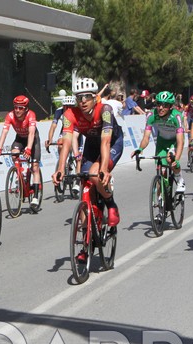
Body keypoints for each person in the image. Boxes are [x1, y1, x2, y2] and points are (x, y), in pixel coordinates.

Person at [53, 77, 124, 245]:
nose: (83, 101)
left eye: (87, 96)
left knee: (94, 175)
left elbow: (106, 142)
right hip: (92, 145)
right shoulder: (70, 114)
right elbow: (67, 142)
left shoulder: (104, 110)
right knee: (85, 185)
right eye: (79, 97)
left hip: (112, 143)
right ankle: (86, 242)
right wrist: (61, 168)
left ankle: (110, 202)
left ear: (95, 97)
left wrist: (104, 169)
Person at [131, 91, 186, 193]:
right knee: (160, 169)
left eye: (165, 105)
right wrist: (140, 149)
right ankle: (162, 199)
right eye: (159, 104)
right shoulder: (151, 115)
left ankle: (179, 179)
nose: (161, 108)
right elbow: (146, 137)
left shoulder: (176, 116)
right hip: (162, 141)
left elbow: (180, 141)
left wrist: (176, 160)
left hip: (174, 141)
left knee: (171, 160)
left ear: (170, 107)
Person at [0, 95, 43, 207]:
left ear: (26, 109)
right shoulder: (10, 115)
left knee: (35, 166)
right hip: (20, 139)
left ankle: (35, 196)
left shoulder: (31, 115)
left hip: (33, 140)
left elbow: (31, 133)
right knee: (14, 154)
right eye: (16, 107)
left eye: (20, 108)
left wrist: (28, 149)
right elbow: (4, 132)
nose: (17, 110)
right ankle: (19, 174)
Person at [45, 94, 82, 195]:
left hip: (77, 131)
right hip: (66, 130)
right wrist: (49, 139)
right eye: (66, 106)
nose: (67, 108)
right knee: (60, 144)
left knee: (79, 157)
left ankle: (77, 182)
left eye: (70, 107)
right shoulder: (59, 111)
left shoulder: (77, 111)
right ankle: (64, 164)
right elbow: (53, 127)